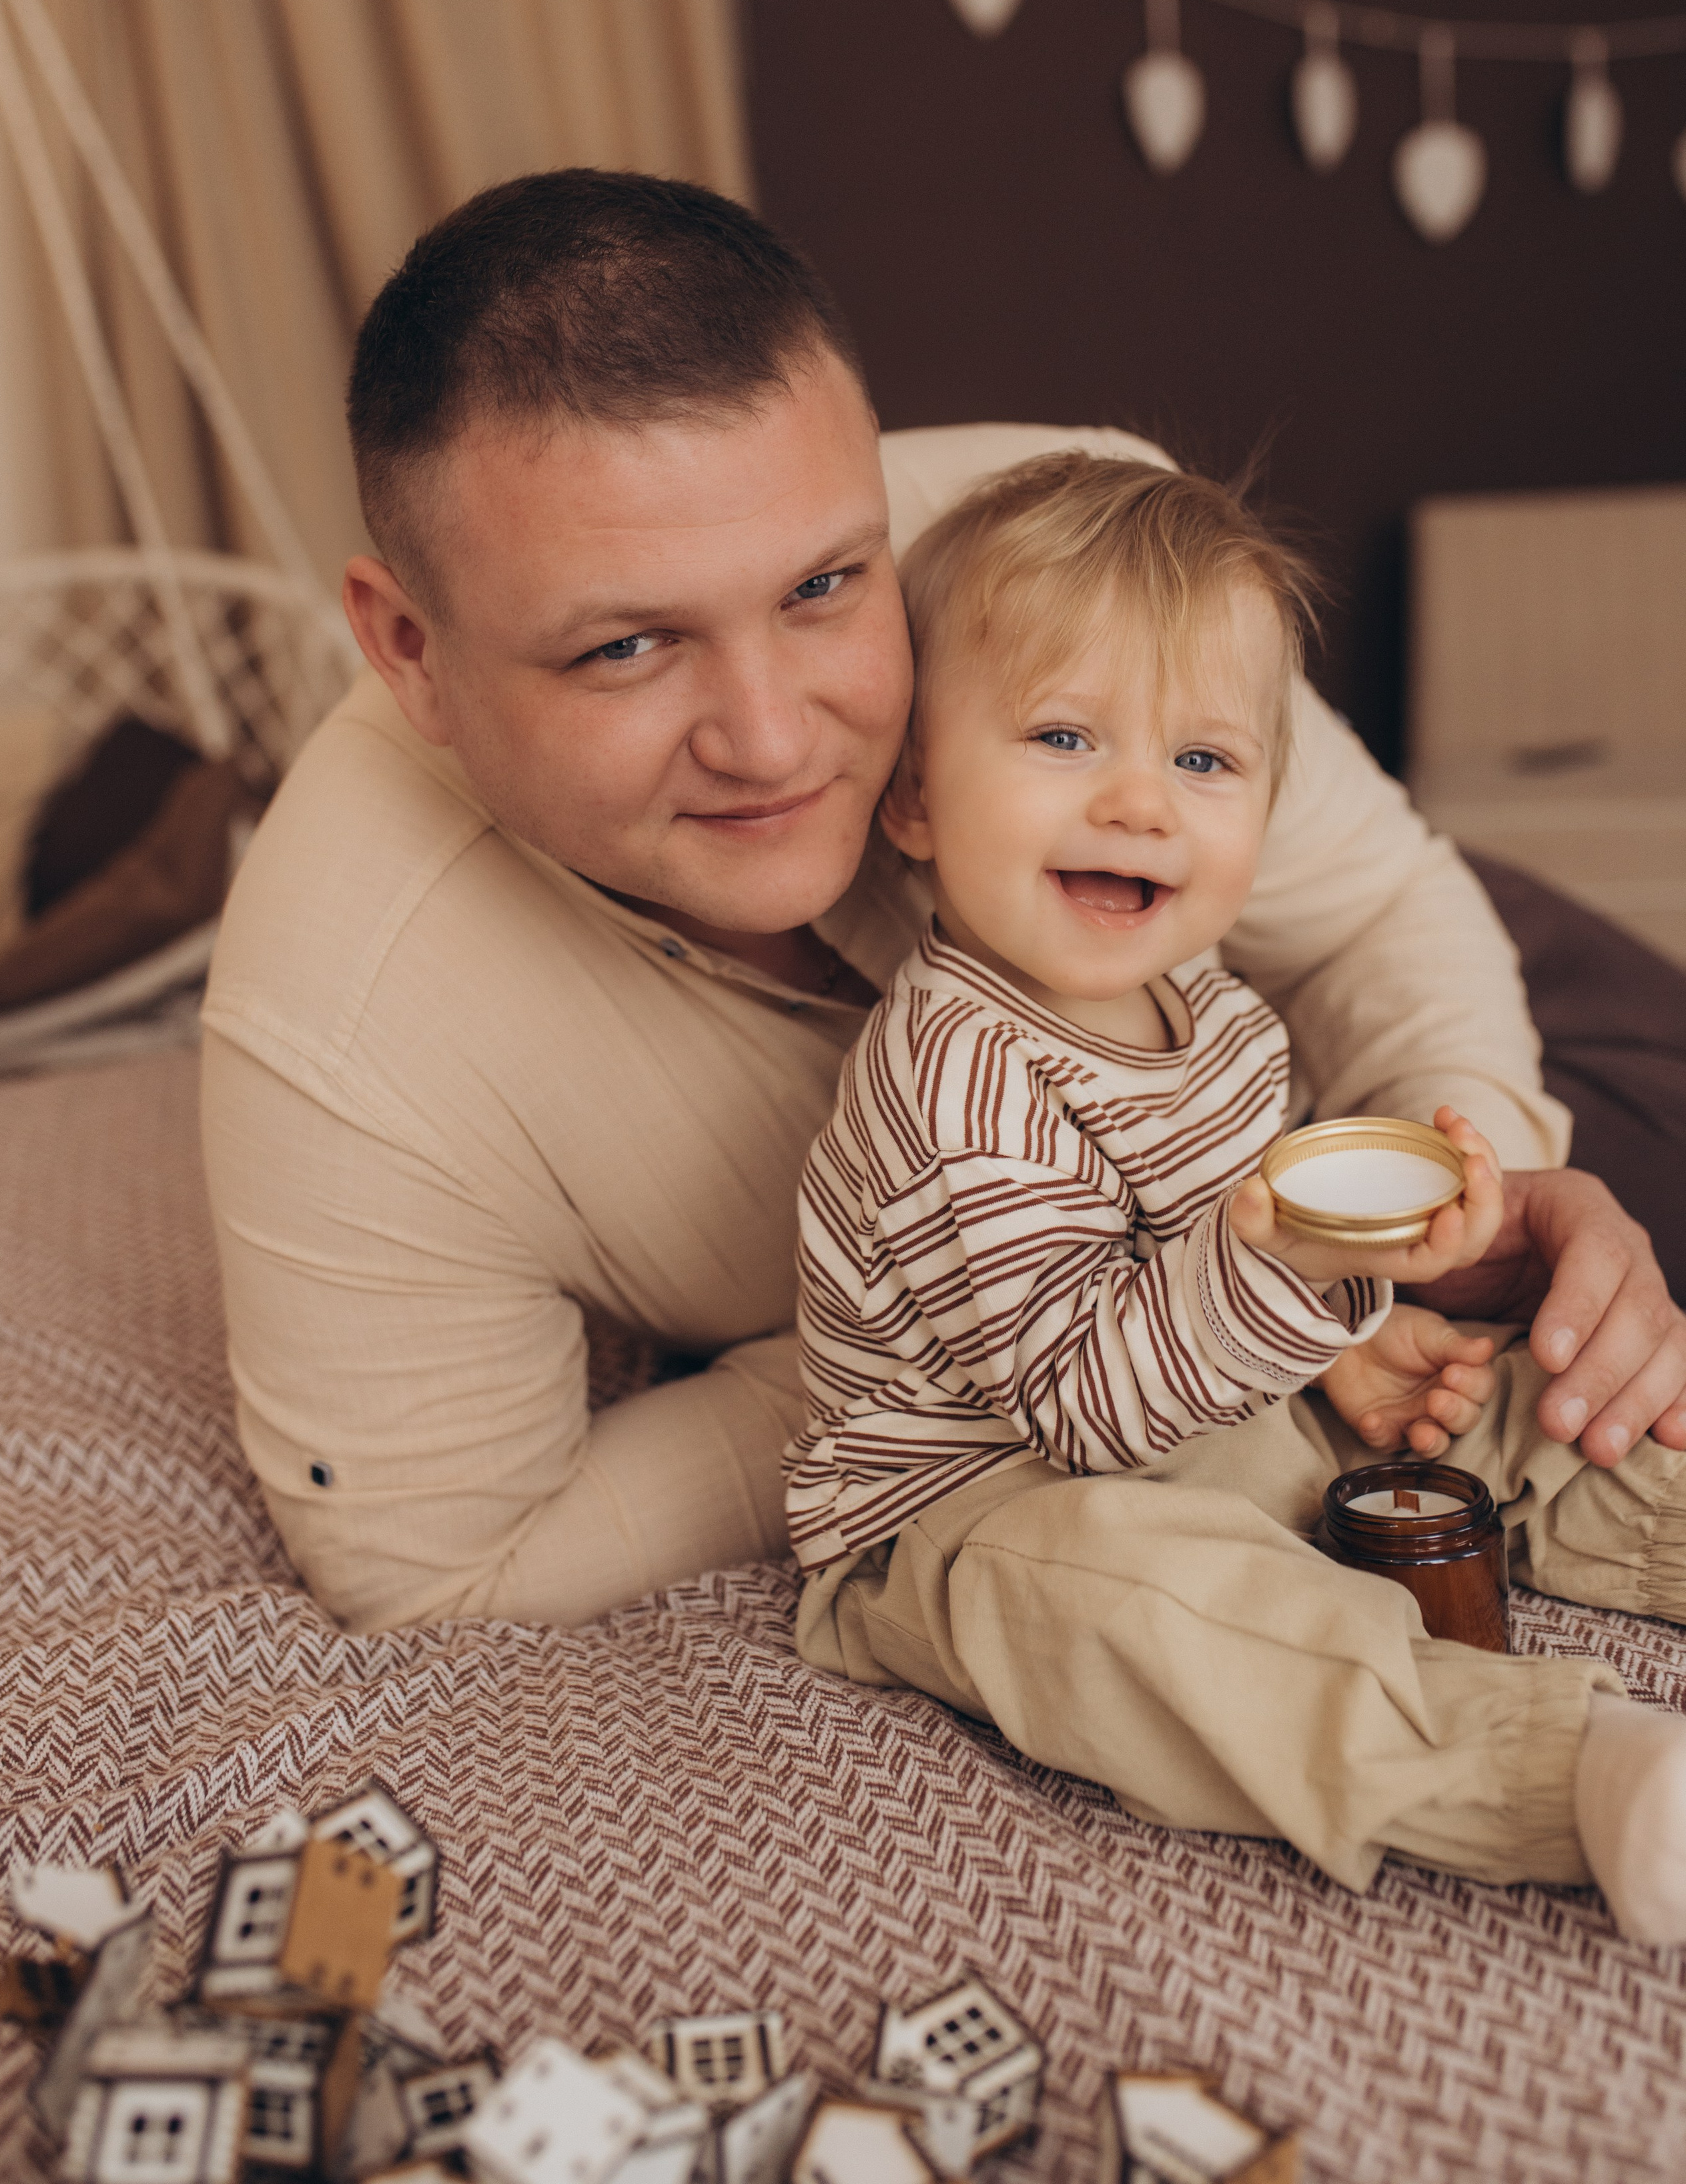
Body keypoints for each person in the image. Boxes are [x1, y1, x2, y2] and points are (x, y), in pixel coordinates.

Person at [200, 168, 1686, 1640]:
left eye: (822, 588)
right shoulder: (339, 1032)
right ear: (407, 647)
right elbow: (446, 1569)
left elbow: (1373, 917)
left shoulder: (1059, 543)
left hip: (1368, 1035)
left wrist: (1459, 1185)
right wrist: (914, 1350)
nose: (774, 741)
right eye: (627, 650)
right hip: (1209, 1297)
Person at [787, 450, 1686, 1942]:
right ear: (913, 802)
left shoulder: (1208, 1004)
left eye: (1203, 762)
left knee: (1524, 1393)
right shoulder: (948, 1080)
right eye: (1064, 736)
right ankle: (1560, 1770)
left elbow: (1226, 1252)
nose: (1141, 803)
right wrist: (1289, 1296)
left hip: (1209, 1399)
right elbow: (1083, 1407)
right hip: (973, 1503)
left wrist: (1361, 1325)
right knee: (1136, 1610)